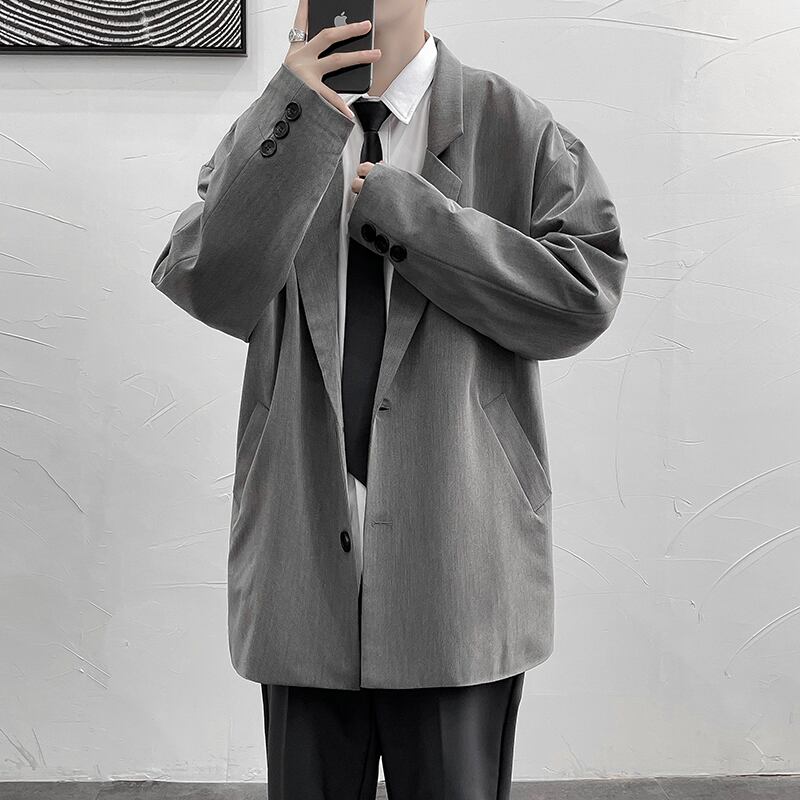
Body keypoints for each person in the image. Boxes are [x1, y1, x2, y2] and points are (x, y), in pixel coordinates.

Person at [150, 0, 628, 796]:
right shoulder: (278, 127)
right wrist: (294, 113)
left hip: (459, 569)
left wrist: (413, 220)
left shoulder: (513, 125)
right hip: (301, 563)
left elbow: (584, 296)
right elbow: (206, 281)